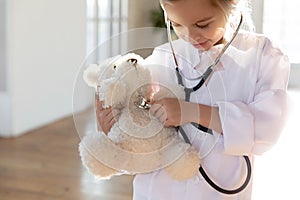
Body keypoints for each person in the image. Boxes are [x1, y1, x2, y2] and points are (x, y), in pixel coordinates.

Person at [96, 0, 290, 199]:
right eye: (176, 24)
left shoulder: (263, 55)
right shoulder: (163, 57)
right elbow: (143, 143)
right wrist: (114, 133)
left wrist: (192, 112)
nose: (189, 36)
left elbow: (266, 131)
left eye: (203, 24)